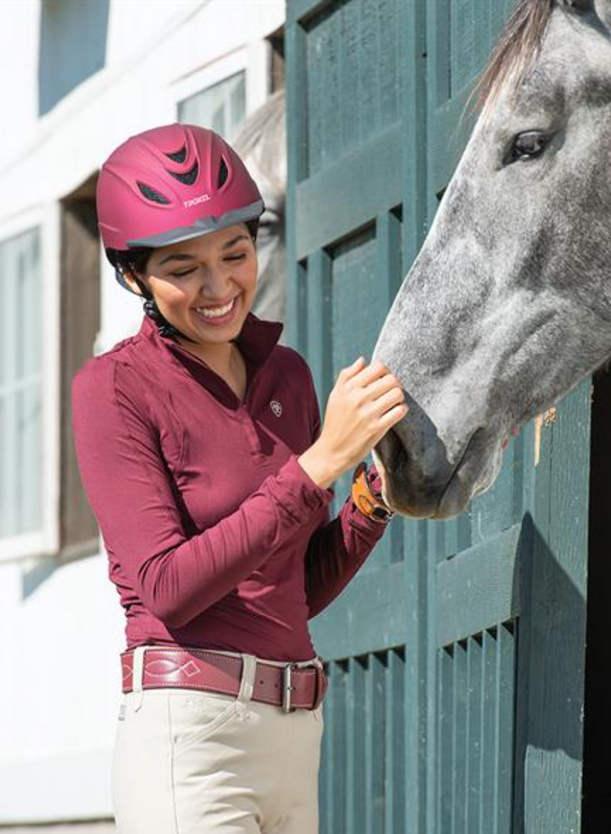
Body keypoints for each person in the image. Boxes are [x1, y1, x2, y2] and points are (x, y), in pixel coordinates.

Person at [71, 122, 407, 833]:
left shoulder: (287, 375)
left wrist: (371, 499)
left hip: (295, 732)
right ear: (133, 274)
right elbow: (169, 585)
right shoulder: (113, 389)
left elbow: (293, 590)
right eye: (183, 267)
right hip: (189, 735)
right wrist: (319, 464)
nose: (220, 286)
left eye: (236, 251)